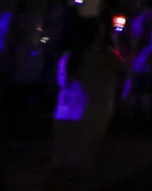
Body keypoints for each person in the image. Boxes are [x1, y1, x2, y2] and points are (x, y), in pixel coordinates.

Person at [49, 15, 121, 174]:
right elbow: (124, 70)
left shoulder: (68, 57)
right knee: (80, 162)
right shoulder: (104, 55)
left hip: (65, 111)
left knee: (62, 162)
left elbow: (61, 82)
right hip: (92, 112)